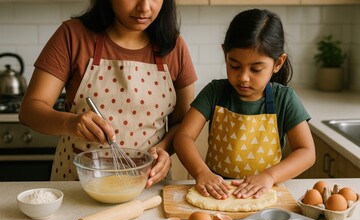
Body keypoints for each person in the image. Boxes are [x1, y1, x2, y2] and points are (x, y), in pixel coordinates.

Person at [18, 0, 197, 187]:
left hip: (146, 186)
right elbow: (30, 110)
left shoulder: (174, 46)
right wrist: (69, 123)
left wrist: (163, 149)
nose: (144, 7)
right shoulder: (73, 35)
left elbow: (183, 125)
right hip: (78, 186)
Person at [174, 9, 315, 200]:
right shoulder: (215, 92)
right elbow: (183, 136)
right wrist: (201, 172)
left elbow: (307, 152)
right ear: (225, 54)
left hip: (264, 194)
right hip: (216, 193)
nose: (243, 77)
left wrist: (269, 176)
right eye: (234, 66)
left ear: (278, 63)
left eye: (256, 69)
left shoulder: (285, 99)